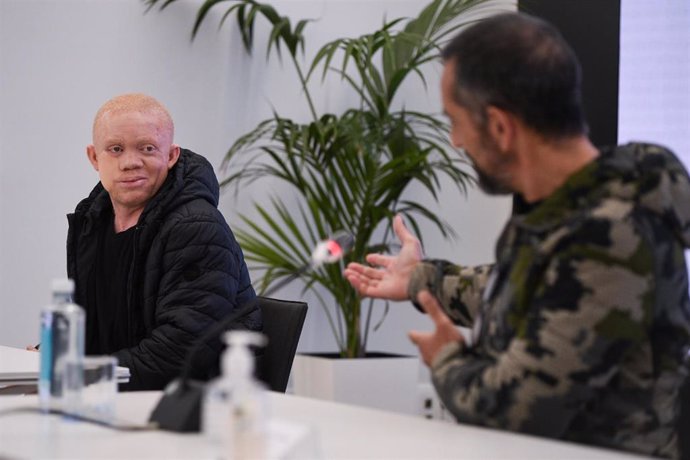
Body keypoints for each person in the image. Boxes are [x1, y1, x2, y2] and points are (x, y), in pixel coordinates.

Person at [344, 12, 690, 459]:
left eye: (455, 121)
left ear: (501, 127)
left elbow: (512, 410)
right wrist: (420, 278)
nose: (455, 141)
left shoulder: (610, 236)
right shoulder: (582, 212)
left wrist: (447, 358)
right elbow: (534, 291)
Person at [67, 93, 260, 391]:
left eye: (147, 148)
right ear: (94, 157)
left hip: (189, 408)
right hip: (117, 395)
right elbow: (96, 327)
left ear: (171, 156)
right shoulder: (92, 223)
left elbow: (180, 354)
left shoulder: (197, 228)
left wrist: (80, 375)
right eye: (115, 149)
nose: (130, 162)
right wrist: (54, 357)